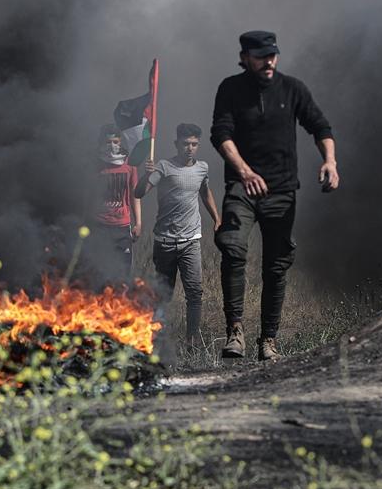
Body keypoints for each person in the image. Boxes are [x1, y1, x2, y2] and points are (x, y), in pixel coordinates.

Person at [210, 31, 338, 361]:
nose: (269, 61)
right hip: (242, 185)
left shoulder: (292, 89)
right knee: (233, 246)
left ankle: (268, 339)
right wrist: (245, 171)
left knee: (276, 264)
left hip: (281, 190)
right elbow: (220, 134)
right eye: (261, 56)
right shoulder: (231, 89)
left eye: (273, 55)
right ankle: (235, 331)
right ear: (244, 58)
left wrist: (330, 161)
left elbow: (320, 125)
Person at [134, 123, 220, 349]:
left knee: (195, 293)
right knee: (163, 293)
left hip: (191, 241)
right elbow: (139, 192)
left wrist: (217, 218)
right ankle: (155, 339)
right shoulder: (163, 167)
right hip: (165, 242)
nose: (189, 148)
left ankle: (192, 340)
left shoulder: (202, 168)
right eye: (185, 144)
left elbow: (204, 191)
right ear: (176, 144)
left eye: (194, 144)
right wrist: (147, 174)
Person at [82, 124, 142, 282]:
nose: (112, 146)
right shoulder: (95, 164)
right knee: (99, 272)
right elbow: (87, 194)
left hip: (122, 226)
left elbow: (135, 195)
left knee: (123, 273)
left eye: (116, 141)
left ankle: (119, 304)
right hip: (100, 225)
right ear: (101, 142)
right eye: (108, 142)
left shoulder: (129, 164)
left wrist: (138, 222)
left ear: (121, 142)